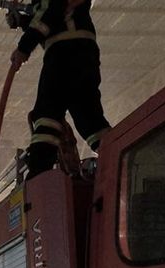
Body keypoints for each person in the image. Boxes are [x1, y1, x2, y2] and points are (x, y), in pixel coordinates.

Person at [9, 0, 111, 180]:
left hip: (64, 52)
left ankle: (39, 174)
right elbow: (53, 16)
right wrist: (24, 21)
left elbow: (50, 14)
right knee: (89, 119)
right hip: (83, 52)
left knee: (47, 114)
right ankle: (117, 157)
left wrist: (23, 47)